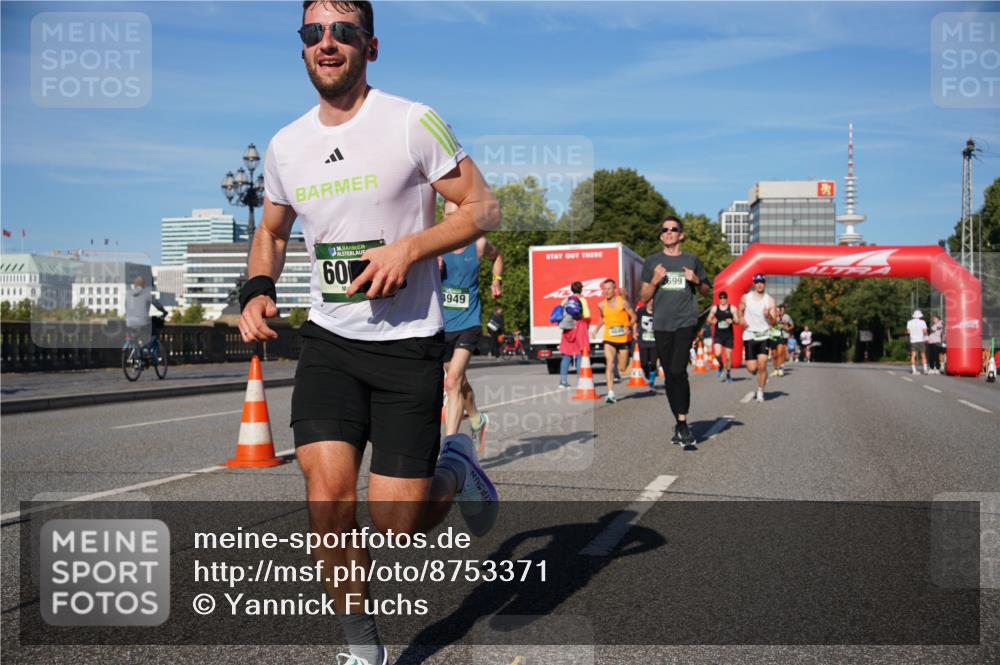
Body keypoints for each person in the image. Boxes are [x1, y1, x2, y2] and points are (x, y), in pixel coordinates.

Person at [238, 4, 501, 663]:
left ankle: (457, 463)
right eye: (313, 33)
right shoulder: (285, 144)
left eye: (343, 32)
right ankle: (363, 648)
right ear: (302, 48)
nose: (327, 44)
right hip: (330, 343)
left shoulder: (411, 121)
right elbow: (270, 232)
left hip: (409, 343)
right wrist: (257, 290)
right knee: (325, 495)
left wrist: (408, 249)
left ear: (370, 46)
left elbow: (484, 206)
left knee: (397, 522)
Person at [639, 216, 712, 449]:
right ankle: (679, 422)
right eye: (665, 230)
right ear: (661, 236)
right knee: (670, 374)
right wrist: (655, 280)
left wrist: (697, 279)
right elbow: (644, 297)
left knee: (679, 369)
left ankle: (683, 423)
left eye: (674, 229)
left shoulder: (692, 260)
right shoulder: (652, 262)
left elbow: (708, 291)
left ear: (681, 235)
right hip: (661, 323)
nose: (669, 232)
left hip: (685, 321)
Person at [440, 201, 502, 448]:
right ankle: (477, 417)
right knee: (458, 379)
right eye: (447, 215)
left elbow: (497, 257)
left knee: (452, 381)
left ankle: (450, 448)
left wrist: (496, 280)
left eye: (458, 215)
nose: (452, 220)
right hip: (443, 324)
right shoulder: (435, 246)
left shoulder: (478, 244)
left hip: (469, 320)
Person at [739, 273, 777, 403]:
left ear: (765, 283)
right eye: (757, 282)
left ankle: (760, 391)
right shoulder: (746, 298)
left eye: (761, 282)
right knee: (752, 369)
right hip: (749, 334)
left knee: (762, 364)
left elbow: (773, 322)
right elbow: (740, 311)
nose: (759, 284)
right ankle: (759, 372)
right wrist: (742, 320)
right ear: (754, 283)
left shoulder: (770, 300)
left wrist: (769, 316)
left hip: (764, 335)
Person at [598, 277, 636, 403]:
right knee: (610, 363)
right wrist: (595, 330)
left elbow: (634, 316)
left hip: (623, 339)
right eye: (605, 289)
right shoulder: (601, 305)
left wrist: (629, 326)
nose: (607, 291)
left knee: (623, 368)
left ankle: (623, 367)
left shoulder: (623, 302)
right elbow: (603, 318)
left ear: (614, 290)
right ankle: (610, 393)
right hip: (609, 338)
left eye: (609, 289)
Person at [559, 281, 591, 388]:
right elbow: (586, 315)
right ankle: (580, 381)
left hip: (568, 329)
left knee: (566, 355)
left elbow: (560, 313)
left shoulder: (566, 300)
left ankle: (563, 382)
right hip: (580, 327)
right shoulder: (582, 300)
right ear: (581, 289)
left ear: (571, 289)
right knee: (580, 355)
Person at [124, 275, 166, 351]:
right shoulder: (146, 294)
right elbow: (156, 304)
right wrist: (163, 311)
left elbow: (126, 307)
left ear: (134, 285)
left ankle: (137, 352)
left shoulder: (128, 294)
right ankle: (147, 349)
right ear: (144, 285)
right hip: (143, 322)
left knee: (135, 338)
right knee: (154, 334)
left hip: (130, 322)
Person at [706, 291, 739, 383]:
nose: (722, 299)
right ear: (719, 299)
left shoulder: (732, 308)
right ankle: (720, 365)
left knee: (728, 357)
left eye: (724, 298)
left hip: (728, 336)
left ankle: (728, 374)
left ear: (726, 299)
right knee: (717, 353)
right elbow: (708, 320)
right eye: (721, 298)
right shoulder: (714, 308)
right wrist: (712, 321)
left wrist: (732, 320)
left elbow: (738, 321)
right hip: (718, 335)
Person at [634, 299, 658, 391]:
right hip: (643, 341)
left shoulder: (658, 311)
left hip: (655, 342)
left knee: (653, 363)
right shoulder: (641, 311)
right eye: (650, 301)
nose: (652, 302)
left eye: (653, 301)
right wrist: (634, 332)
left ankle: (651, 382)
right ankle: (648, 376)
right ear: (647, 302)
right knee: (644, 363)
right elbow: (635, 322)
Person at [771, 304, 793, 377]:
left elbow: (791, 325)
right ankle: (775, 369)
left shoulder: (785, 317)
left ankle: (780, 369)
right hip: (773, 337)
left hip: (783, 336)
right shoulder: (772, 317)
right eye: (776, 310)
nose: (779, 312)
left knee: (780, 352)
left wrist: (786, 328)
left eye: (780, 310)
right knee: (774, 354)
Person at [907, 309, 929, 375]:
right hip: (921, 340)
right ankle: (925, 370)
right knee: (923, 355)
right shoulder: (922, 322)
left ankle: (914, 370)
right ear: (920, 316)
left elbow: (908, 331)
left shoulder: (909, 322)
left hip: (913, 340)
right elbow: (925, 331)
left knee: (913, 355)